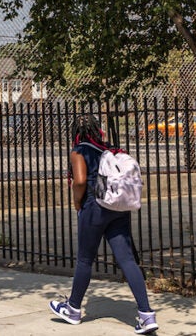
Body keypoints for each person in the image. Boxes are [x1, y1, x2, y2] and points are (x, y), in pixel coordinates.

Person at [49, 115, 157, 334]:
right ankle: (147, 315)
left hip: (94, 207)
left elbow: (79, 181)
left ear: (76, 133)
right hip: (117, 209)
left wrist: (77, 203)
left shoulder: (79, 150)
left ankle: (73, 308)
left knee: (85, 259)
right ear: (99, 131)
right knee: (127, 259)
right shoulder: (109, 150)